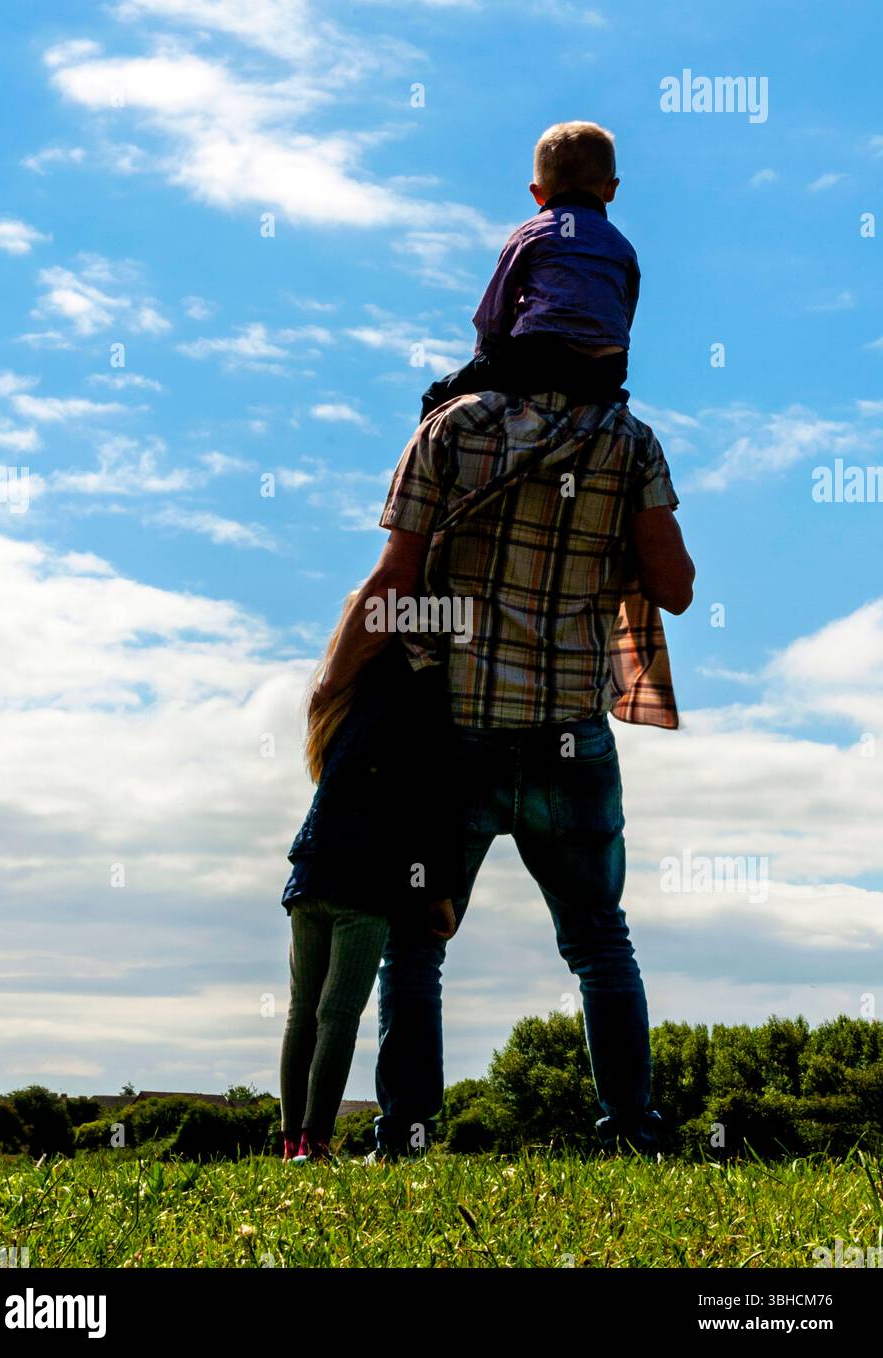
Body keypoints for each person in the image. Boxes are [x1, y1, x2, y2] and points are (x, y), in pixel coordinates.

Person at [309, 401, 695, 1159]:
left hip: (455, 738)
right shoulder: (629, 440)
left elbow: (392, 581)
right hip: (572, 740)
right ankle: (630, 1133)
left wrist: (330, 688)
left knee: (415, 944)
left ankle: (406, 1138)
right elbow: (675, 589)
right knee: (599, 942)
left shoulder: (450, 429)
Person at [278, 592, 462, 1163]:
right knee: (337, 1015)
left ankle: (291, 1142)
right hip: (366, 881)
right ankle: (317, 1141)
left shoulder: (339, 694)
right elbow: (428, 805)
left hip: (311, 870)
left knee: (302, 1012)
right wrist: (438, 890)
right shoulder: (421, 693)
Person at [420, 120, 639, 420]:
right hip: (605, 370)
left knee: (436, 396)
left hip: (538, 360)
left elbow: (493, 313)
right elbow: (625, 313)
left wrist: (487, 360)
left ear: (538, 193)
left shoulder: (532, 232)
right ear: (611, 189)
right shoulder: (622, 246)